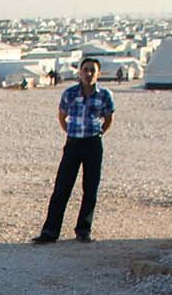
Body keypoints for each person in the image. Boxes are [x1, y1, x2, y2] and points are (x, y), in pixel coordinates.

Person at [32, 57, 115, 244]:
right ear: (80, 72)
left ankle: (83, 230)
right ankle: (50, 232)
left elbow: (109, 118)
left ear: (98, 73)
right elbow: (62, 116)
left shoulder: (104, 95)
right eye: (85, 70)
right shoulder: (69, 93)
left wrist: (100, 132)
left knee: (90, 188)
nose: (88, 74)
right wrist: (69, 132)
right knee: (62, 187)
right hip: (73, 144)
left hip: (93, 143)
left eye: (92, 70)